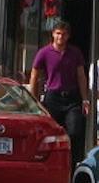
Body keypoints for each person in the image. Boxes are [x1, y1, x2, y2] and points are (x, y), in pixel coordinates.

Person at [28, 19, 91, 159]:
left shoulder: (75, 53)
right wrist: (34, 100)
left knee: (75, 131)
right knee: (51, 132)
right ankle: (52, 160)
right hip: (53, 97)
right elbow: (34, 75)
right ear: (53, 34)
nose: (60, 37)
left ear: (68, 36)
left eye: (63, 34)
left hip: (72, 98)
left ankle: (72, 162)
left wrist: (85, 99)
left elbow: (81, 75)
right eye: (58, 34)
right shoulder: (44, 52)